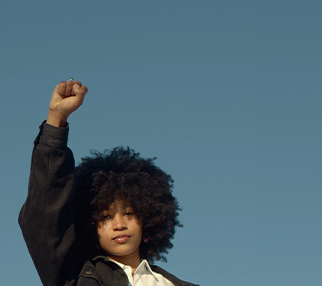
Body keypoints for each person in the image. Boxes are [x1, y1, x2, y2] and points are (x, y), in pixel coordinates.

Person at [18, 80, 196, 286]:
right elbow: (44, 216)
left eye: (128, 213)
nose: (119, 225)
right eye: (106, 216)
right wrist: (56, 120)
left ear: (148, 218)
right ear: (90, 225)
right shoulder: (76, 277)